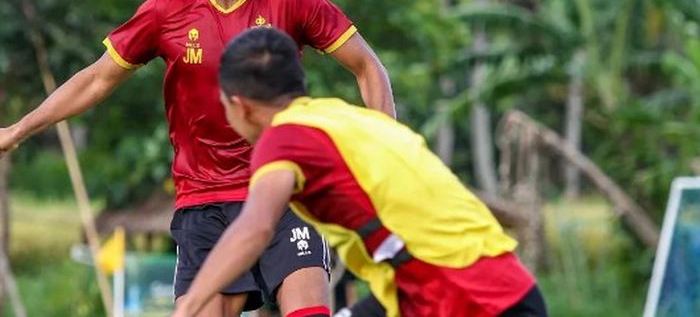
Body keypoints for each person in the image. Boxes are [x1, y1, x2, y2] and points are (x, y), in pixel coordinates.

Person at [0, 0, 395, 317]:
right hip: (204, 203)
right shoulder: (166, 11)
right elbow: (96, 80)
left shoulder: (294, 0)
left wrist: (386, 159)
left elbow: (367, 66)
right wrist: (16, 130)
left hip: (286, 187)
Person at [171, 27, 548, 317]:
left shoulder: (283, 139)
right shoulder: (347, 119)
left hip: (460, 296)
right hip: (498, 284)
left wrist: (189, 307)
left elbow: (254, 229)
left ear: (241, 106)